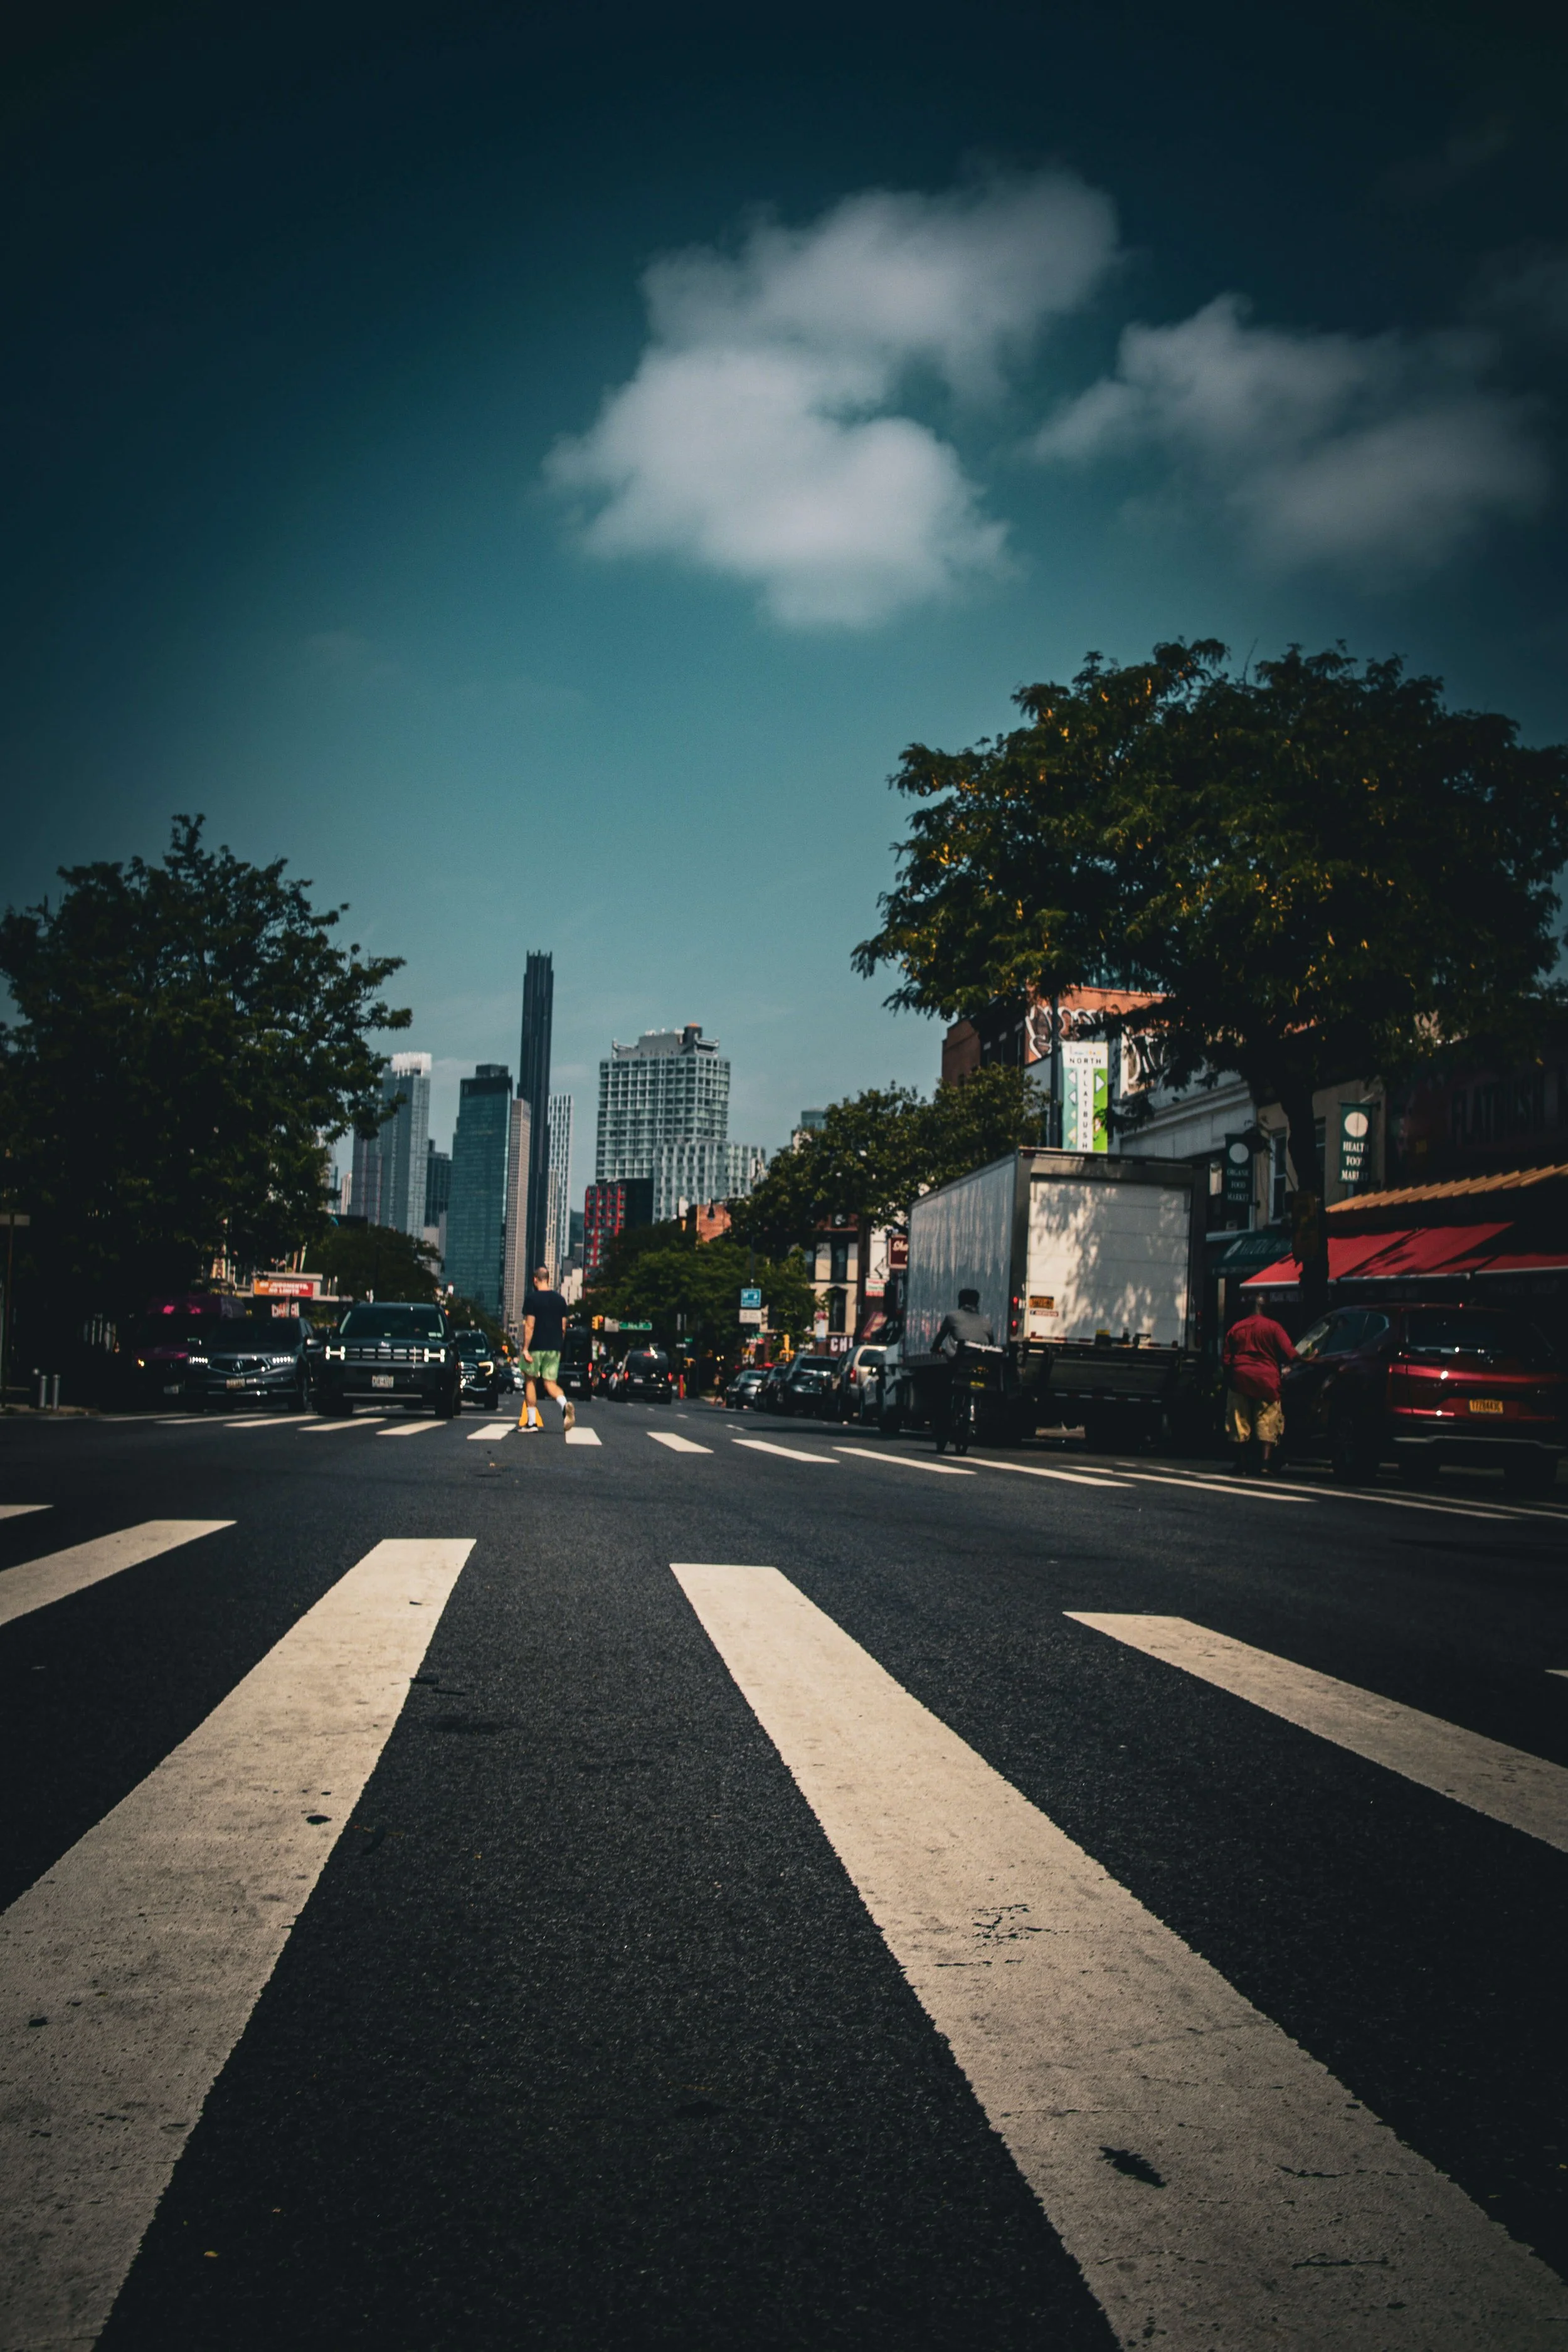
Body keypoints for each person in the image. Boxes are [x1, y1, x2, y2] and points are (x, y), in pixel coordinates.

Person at [1221, 1305, 1298, 1473]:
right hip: (1267, 1380)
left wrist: (1231, 1377)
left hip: (1241, 1378)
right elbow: (1290, 1352)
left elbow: (1226, 1359)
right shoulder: (1274, 1327)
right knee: (1267, 1419)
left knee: (1239, 1420)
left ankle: (1242, 1463)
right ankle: (1265, 1464)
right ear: (1266, 1310)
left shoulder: (1237, 1328)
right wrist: (1307, 1359)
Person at [519, 1266, 575, 1434]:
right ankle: (565, 1406)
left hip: (536, 1346)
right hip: (554, 1347)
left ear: (535, 1280)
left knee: (531, 1381)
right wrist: (559, 1345)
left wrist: (525, 1348)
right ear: (549, 1279)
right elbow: (563, 1327)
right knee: (550, 1383)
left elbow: (530, 1325)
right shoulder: (560, 1300)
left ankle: (531, 1423)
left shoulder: (532, 1299)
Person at [935, 1288, 996, 1354]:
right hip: (983, 1359)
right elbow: (991, 1344)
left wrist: (937, 1349)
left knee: (951, 1338)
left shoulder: (952, 1317)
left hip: (961, 1358)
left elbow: (938, 1341)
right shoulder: (986, 1322)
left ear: (960, 1302)